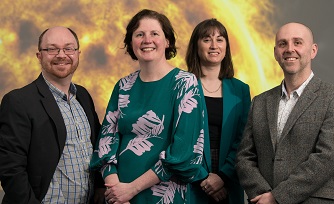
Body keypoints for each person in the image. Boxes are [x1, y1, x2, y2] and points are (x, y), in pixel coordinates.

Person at [90, 9, 208, 204]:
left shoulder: (185, 84)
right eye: (139, 34)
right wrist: (117, 192)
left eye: (154, 33)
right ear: (131, 42)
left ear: (167, 41)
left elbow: (184, 152)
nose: (147, 40)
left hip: (163, 196)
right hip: (119, 196)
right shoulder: (123, 86)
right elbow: (105, 143)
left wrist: (131, 189)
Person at [236, 22, 334, 204]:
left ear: (313, 50)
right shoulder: (260, 101)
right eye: (283, 44)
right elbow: (244, 156)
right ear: (275, 53)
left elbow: (329, 157)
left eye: (297, 43)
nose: (290, 49)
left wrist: (277, 197)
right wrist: (263, 194)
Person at [0, 26, 105, 204]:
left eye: (68, 48)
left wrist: (101, 186)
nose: (61, 55)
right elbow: (10, 169)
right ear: (39, 55)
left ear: (78, 53)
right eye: (52, 49)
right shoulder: (18, 101)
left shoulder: (84, 96)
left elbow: (98, 146)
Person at [186, 19, 251, 204]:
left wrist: (222, 176)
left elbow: (244, 139)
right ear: (196, 45)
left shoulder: (241, 90)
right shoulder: (182, 86)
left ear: (226, 46)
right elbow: (179, 138)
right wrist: (204, 179)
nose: (214, 45)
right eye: (207, 39)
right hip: (192, 178)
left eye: (220, 39)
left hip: (229, 176)